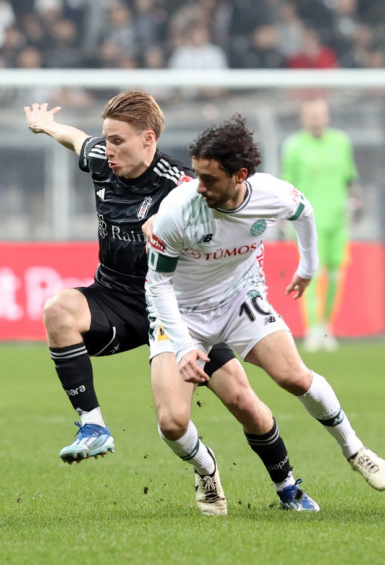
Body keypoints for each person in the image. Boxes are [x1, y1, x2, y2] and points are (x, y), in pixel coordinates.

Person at [25, 93, 318, 515]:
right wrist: (47, 126)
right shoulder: (101, 158)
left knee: (243, 402)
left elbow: (229, 224)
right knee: (58, 310)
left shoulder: (183, 185)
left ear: (148, 138)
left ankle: (288, 487)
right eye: (106, 140)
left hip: (182, 310)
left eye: (117, 141)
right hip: (117, 299)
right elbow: (76, 140)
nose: (107, 150)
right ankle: (99, 427)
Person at [146, 114, 385, 496]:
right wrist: (183, 346)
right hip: (182, 313)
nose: (199, 187)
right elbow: (157, 283)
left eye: (209, 178)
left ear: (240, 176)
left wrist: (308, 266)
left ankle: (355, 450)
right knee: (173, 422)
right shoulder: (178, 210)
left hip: (238, 298)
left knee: (293, 376)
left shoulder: (270, 195)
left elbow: (304, 212)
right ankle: (206, 468)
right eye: (197, 175)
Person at [282, 98, 360, 352]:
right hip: (307, 223)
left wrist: (357, 202)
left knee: (336, 274)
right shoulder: (294, 146)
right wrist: (283, 218)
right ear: (304, 117)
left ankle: (328, 326)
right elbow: (287, 185)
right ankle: (313, 329)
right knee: (310, 274)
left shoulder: (341, 142)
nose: (316, 118)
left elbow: (350, 179)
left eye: (320, 114)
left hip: (338, 221)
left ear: (327, 116)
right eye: (311, 114)